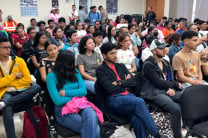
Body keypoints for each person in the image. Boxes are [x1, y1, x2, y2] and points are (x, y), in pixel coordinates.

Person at [96, 42, 167, 138]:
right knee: (139, 101)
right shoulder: (100, 70)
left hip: (128, 97)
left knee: (137, 119)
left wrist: (119, 82)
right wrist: (125, 83)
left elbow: (134, 82)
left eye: (115, 52)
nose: (115, 55)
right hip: (114, 99)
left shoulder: (120, 66)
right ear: (104, 56)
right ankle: (156, 134)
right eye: (111, 54)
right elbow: (109, 89)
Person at [46, 50, 100, 138]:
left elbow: (83, 91)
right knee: (95, 129)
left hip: (81, 104)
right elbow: (58, 100)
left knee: (91, 113)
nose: (73, 65)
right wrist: (77, 96)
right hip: (63, 109)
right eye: (71, 63)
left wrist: (66, 93)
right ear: (62, 63)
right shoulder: (51, 77)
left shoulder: (75, 71)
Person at [141, 39, 182, 138]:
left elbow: (169, 79)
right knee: (175, 108)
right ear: (154, 50)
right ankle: (177, 136)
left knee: (187, 97)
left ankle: (187, 126)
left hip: (166, 90)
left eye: (164, 47)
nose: (164, 50)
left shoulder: (165, 62)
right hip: (154, 92)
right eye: (161, 48)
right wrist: (175, 85)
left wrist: (172, 88)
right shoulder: (148, 64)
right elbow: (158, 82)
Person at [0, 37, 41, 138]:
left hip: (22, 90)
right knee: (7, 109)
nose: (8, 50)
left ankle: (5, 103)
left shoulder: (19, 61)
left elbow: (27, 79)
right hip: (7, 93)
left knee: (36, 87)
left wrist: (8, 83)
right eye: (5, 47)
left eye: (9, 47)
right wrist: (13, 76)